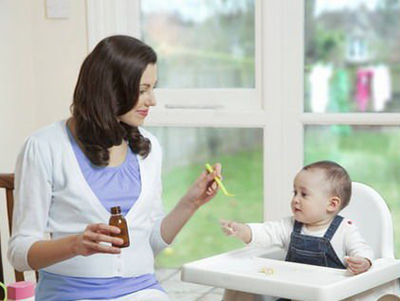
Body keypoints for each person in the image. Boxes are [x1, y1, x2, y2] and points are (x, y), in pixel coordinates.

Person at [8, 35, 222, 301]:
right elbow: (19, 252)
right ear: (110, 89)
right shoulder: (44, 147)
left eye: (153, 88)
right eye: (143, 90)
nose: (152, 100)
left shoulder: (149, 148)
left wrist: (191, 203)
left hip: (141, 291)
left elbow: (150, 243)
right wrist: (75, 244)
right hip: (70, 294)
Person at [221, 160, 373, 301]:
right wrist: (242, 230)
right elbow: (266, 232)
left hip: (328, 298)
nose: (295, 199)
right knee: (240, 289)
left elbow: (361, 248)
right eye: (295, 192)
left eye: (304, 194)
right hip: (292, 296)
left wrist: (363, 261)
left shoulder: (345, 229)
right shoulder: (289, 226)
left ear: (332, 204)